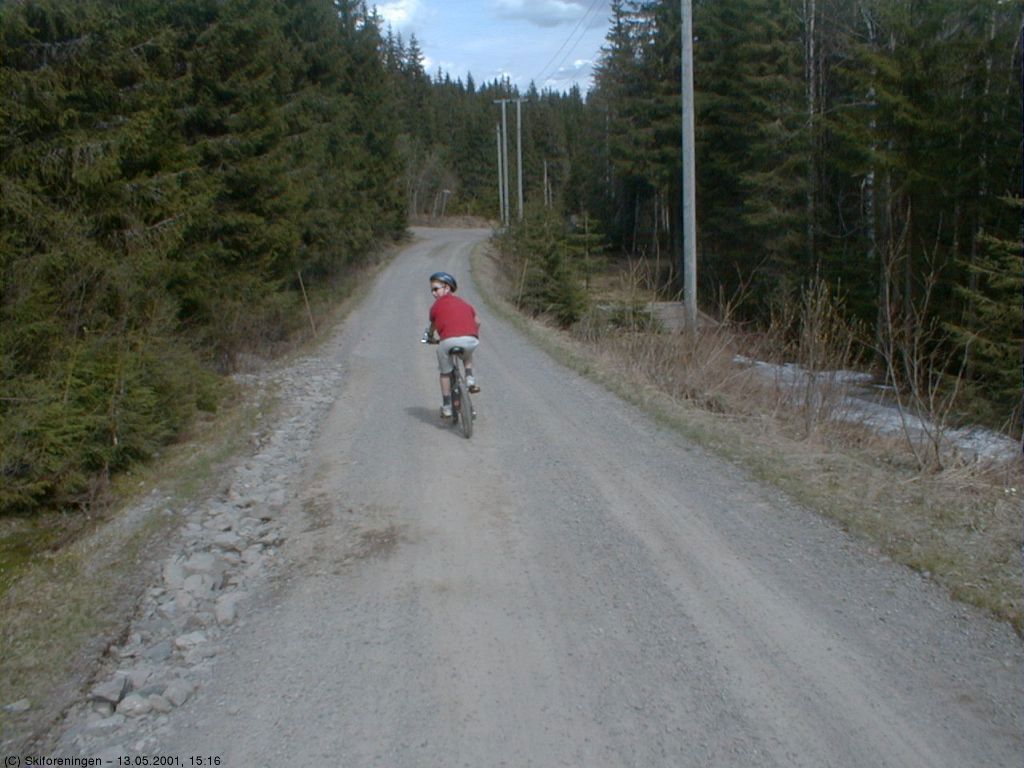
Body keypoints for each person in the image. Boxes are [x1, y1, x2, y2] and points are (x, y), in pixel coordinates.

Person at [423, 271, 480, 418]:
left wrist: (429, 337)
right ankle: (470, 378)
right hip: (471, 339)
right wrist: (472, 333)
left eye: (436, 289)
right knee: (467, 354)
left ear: (447, 288)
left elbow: (433, 326)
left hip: (448, 342)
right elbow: (478, 322)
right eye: (432, 290)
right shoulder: (464, 303)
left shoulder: (436, 306)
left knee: (445, 373)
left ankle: (447, 406)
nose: (433, 293)